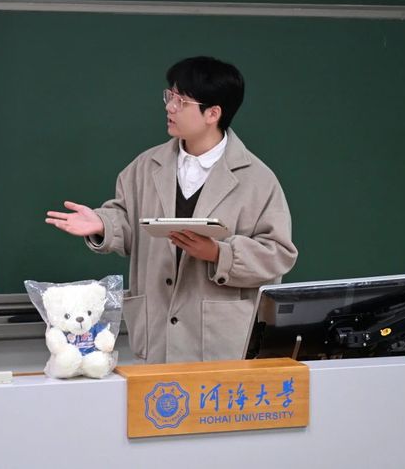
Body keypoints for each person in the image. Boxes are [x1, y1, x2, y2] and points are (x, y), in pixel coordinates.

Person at [46, 56, 298, 363]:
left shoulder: (257, 179)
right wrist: (103, 224)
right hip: (157, 333)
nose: (169, 107)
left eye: (181, 101)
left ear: (213, 113)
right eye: (169, 96)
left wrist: (219, 254)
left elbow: (278, 254)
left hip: (221, 340)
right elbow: (128, 222)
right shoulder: (144, 167)